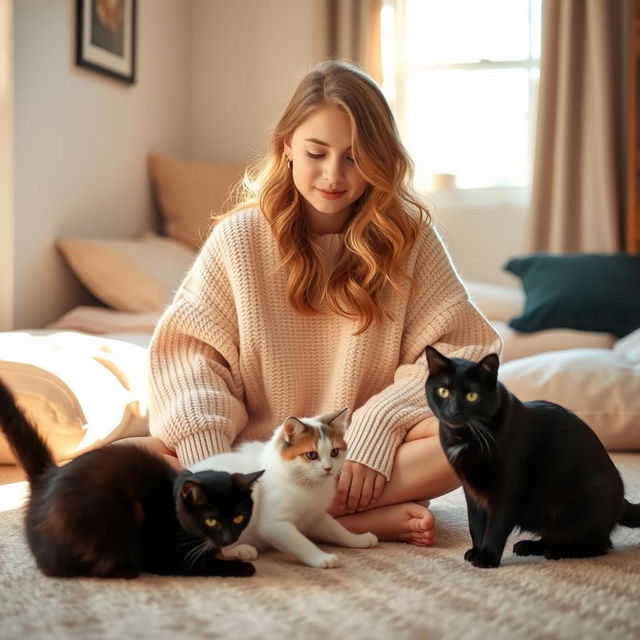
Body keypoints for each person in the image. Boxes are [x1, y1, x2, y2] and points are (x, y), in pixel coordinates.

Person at [135, 60, 501, 546]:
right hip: (255, 466)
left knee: (478, 434)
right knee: (124, 461)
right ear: (287, 147)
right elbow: (191, 361)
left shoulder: (410, 241)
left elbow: (462, 357)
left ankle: (307, 522)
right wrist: (210, 466)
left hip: (361, 460)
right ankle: (348, 522)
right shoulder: (239, 238)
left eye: (354, 157)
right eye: (316, 152)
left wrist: (377, 427)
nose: (333, 174)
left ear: (380, 160)